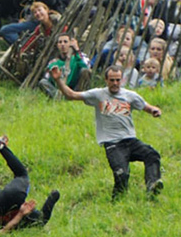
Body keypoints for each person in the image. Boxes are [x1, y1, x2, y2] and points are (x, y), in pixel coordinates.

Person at [53, 65, 163, 199]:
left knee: (152, 155)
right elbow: (71, 95)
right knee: (121, 174)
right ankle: (118, 201)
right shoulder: (98, 95)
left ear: (122, 80)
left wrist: (154, 111)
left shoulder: (129, 95)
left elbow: (145, 106)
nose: (115, 84)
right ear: (106, 80)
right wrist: (59, 80)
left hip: (130, 140)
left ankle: (152, 186)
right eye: (112, 80)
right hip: (113, 144)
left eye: (118, 80)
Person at [39, 32, 89, 97]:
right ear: (57, 45)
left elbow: (87, 67)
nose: (62, 44)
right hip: (59, 89)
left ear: (70, 44)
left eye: (65, 42)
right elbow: (47, 78)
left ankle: (78, 96)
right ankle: (58, 96)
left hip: (75, 89)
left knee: (85, 71)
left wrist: (77, 50)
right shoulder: (53, 62)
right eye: (60, 42)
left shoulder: (77, 57)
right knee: (42, 82)